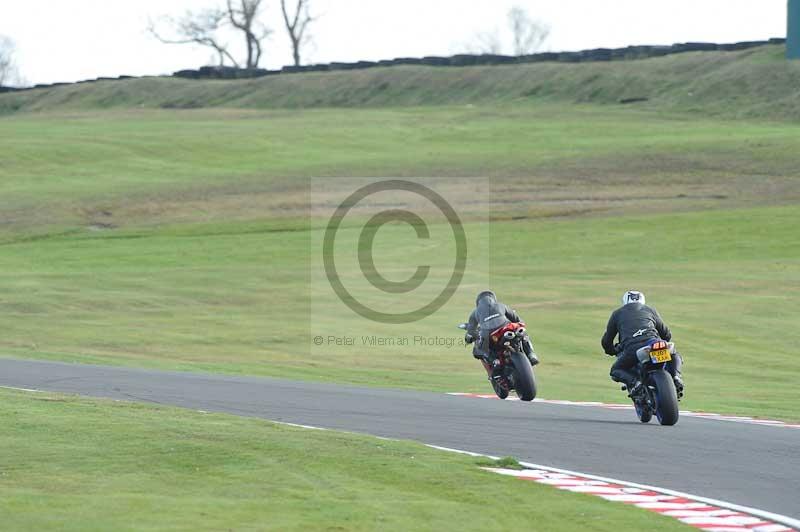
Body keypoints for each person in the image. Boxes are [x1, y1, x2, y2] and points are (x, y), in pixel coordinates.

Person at [601, 291, 684, 397]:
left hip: (633, 348)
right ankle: (676, 377)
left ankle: (635, 383)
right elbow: (666, 334)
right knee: (674, 354)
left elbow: (607, 340)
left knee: (616, 370)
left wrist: (611, 350)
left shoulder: (617, 313)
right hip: (655, 343)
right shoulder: (650, 310)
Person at [464, 290, 538, 367]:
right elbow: (518, 320)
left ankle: (494, 361)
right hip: (506, 328)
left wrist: (469, 338)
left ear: (478, 303)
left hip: (488, 334)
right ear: (493, 299)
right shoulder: (501, 305)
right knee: (521, 331)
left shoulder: (475, 312)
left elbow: (471, 332)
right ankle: (531, 354)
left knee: (477, 350)